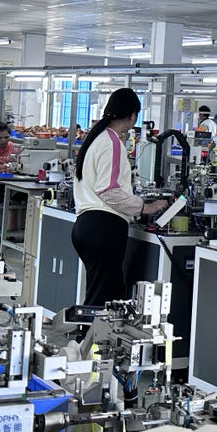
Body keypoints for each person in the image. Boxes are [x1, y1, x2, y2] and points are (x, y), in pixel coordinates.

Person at [72, 88, 170, 305]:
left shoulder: (96, 138)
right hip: (104, 227)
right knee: (105, 300)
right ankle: (88, 329)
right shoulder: (111, 142)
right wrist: (145, 207)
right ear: (133, 115)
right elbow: (108, 190)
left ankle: (87, 327)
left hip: (85, 226)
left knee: (102, 295)